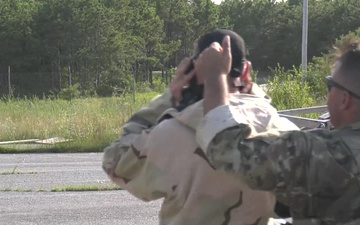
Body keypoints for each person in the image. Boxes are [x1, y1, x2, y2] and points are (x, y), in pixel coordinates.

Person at [102, 29, 298, 225]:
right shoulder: (282, 128)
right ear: (246, 71)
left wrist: (168, 98)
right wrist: (252, 92)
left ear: (192, 72)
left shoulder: (170, 134)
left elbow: (115, 161)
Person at [194, 35, 360, 225]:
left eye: (330, 85)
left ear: (345, 99)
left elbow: (227, 147)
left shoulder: (323, 153)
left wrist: (215, 76)